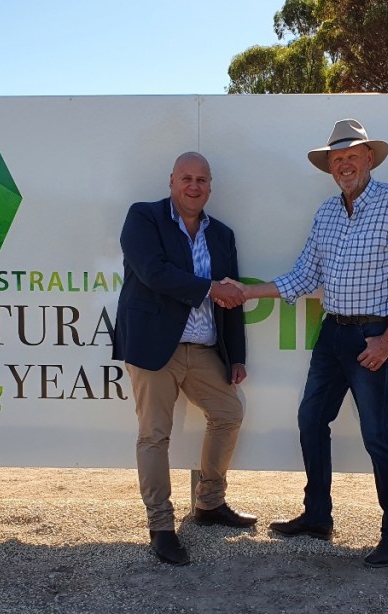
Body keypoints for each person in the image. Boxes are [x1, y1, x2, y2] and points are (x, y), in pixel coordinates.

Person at [225, 119, 388, 568]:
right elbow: (303, 277)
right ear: (329, 167)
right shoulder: (327, 213)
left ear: (369, 158)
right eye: (336, 159)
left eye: (351, 155)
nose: (343, 164)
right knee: (310, 419)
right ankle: (318, 516)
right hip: (332, 333)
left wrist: (386, 343)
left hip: (372, 336)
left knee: (377, 434)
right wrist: (245, 291)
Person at [113, 151, 257, 567]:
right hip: (154, 347)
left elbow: (231, 294)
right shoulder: (144, 218)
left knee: (228, 413)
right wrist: (210, 289)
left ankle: (209, 505)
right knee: (155, 435)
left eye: (202, 180)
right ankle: (160, 527)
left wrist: (237, 355)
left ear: (210, 186)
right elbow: (153, 273)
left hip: (204, 348)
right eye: (187, 178)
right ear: (171, 180)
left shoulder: (222, 235)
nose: (194, 186)